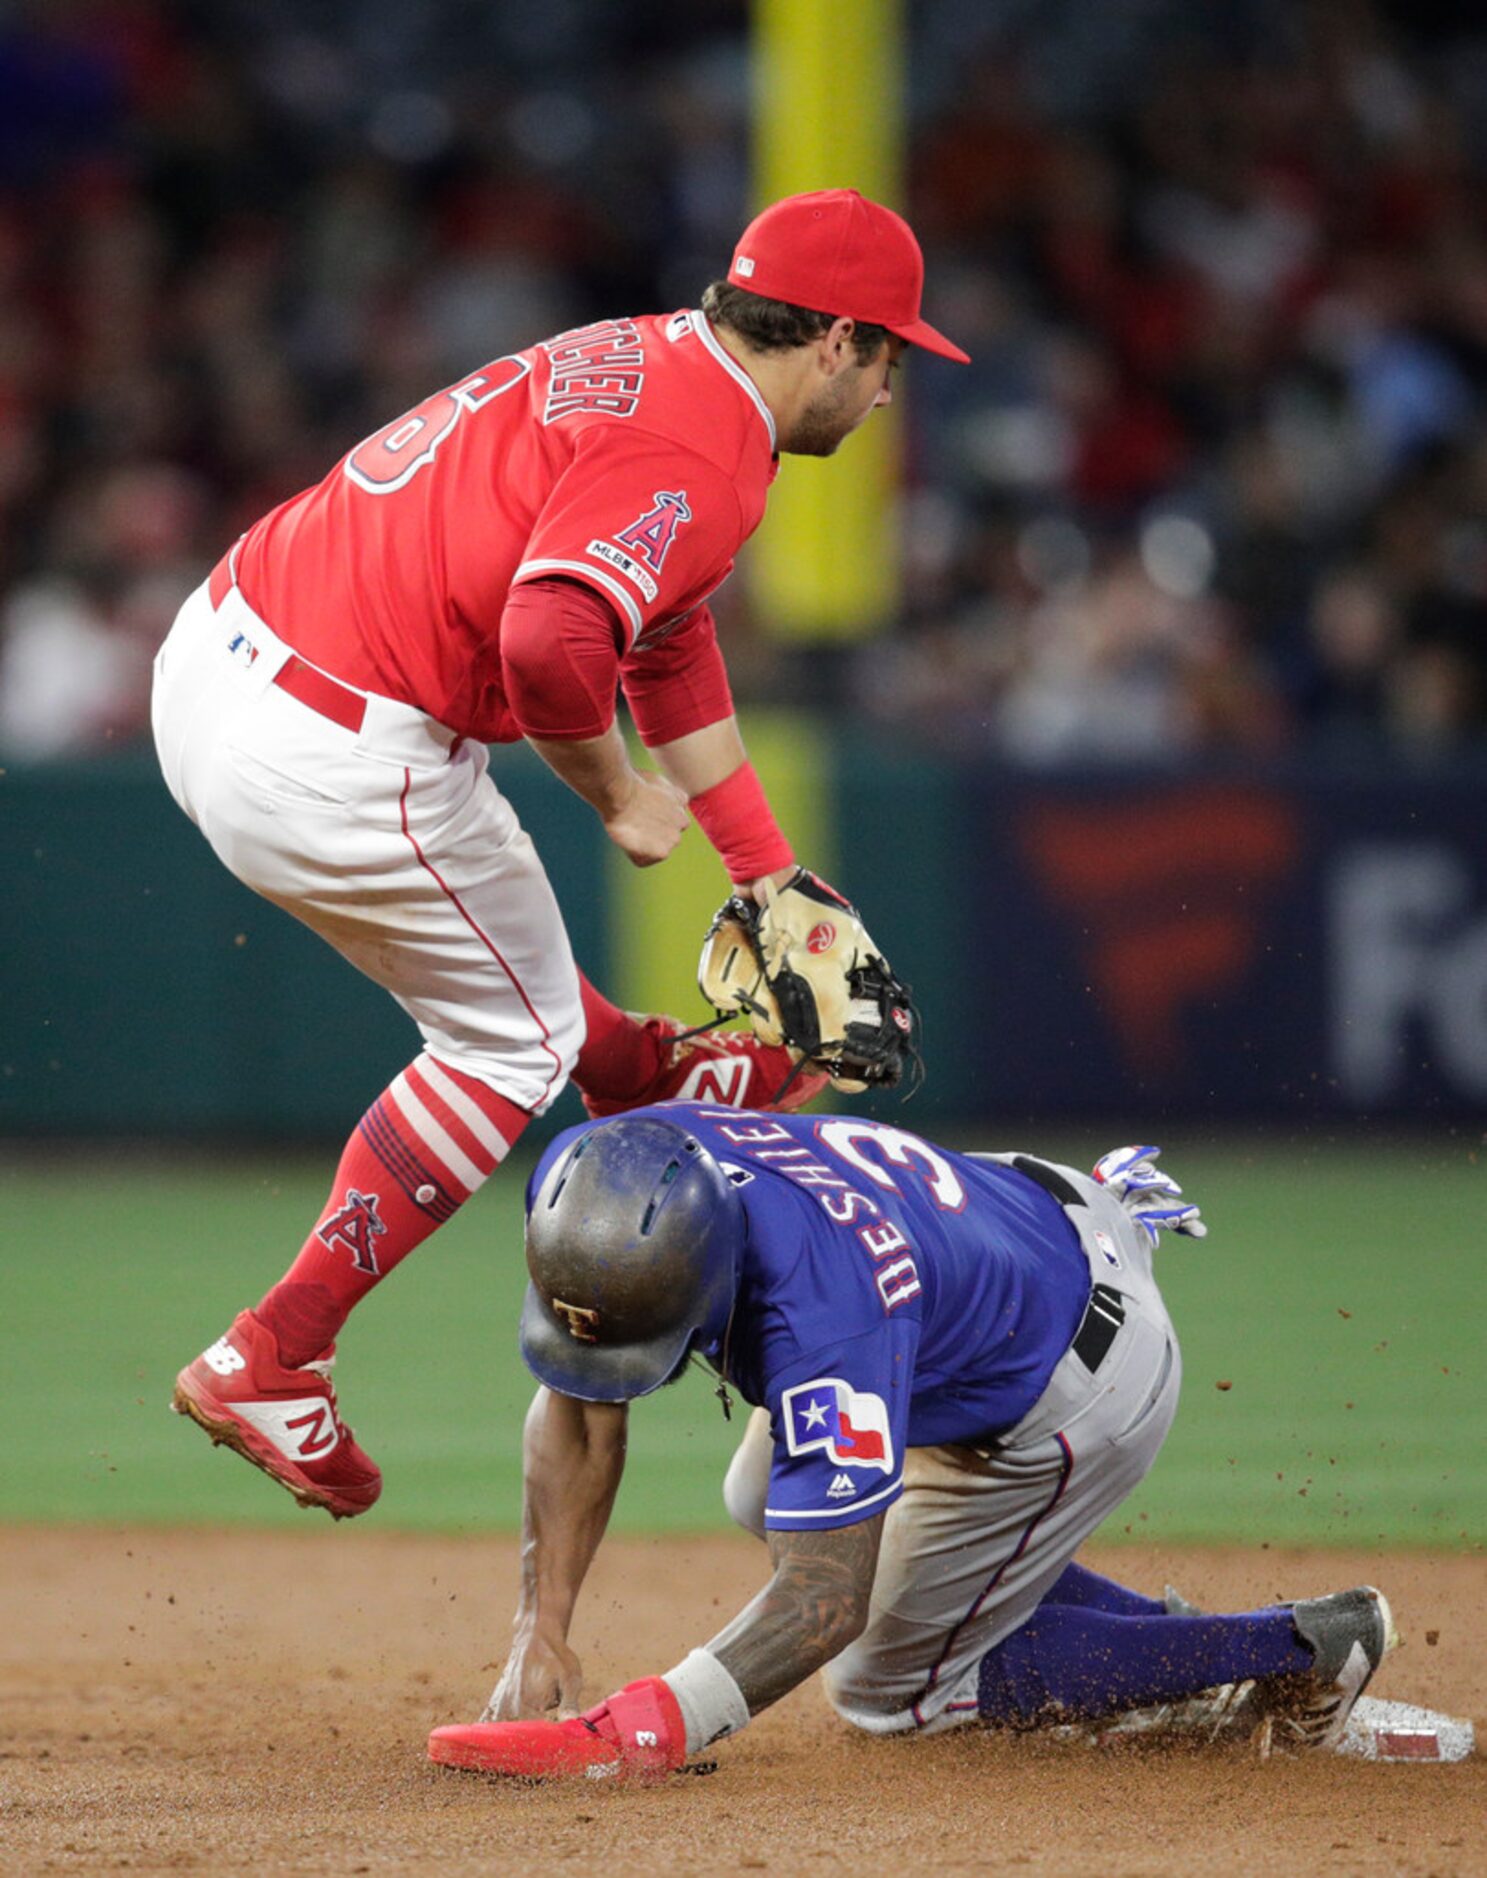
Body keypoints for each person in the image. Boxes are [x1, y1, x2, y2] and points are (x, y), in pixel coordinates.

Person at [156, 190, 969, 1520]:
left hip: (223, 650)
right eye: (888, 356)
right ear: (831, 340)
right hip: (334, 740)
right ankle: (274, 1349)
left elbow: (661, 625)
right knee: (504, 1044)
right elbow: (551, 643)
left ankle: (643, 1067)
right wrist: (616, 793)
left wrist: (759, 868)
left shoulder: (664, 358)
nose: (889, 389)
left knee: (510, 995)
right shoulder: (705, 451)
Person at [427, 1107, 1395, 1778]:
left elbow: (822, 1600)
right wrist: (539, 1625)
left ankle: (1300, 1647)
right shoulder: (607, 1172)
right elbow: (582, 1397)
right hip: (1006, 1241)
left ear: (715, 1271)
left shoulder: (825, 1324)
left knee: (890, 1693)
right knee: (760, 1499)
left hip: (1071, 1374)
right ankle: (1130, 1625)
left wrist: (644, 1727)